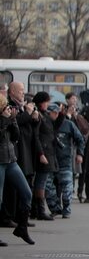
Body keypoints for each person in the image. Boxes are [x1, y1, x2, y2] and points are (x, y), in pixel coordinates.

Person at [0, 94, 35, 245]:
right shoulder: (2, 121)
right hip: (0, 162)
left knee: (27, 193)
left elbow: (15, 137)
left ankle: (22, 228)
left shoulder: (8, 120)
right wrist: (5, 121)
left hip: (11, 161)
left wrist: (13, 120)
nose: (9, 109)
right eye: (5, 107)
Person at [46, 102, 84, 217]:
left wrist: (80, 154)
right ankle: (56, 208)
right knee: (48, 187)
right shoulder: (46, 124)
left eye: (54, 113)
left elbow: (80, 139)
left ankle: (67, 209)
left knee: (67, 189)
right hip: (50, 162)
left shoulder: (68, 124)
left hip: (65, 161)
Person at [31, 91, 58, 221]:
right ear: (41, 102)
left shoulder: (44, 115)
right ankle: (40, 210)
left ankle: (37, 209)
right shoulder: (38, 116)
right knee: (40, 182)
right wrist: (41, 153)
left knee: (41, 181)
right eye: (46, 101)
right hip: (43, 152)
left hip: (48, 151)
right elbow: (36, 136)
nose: (48, 104)